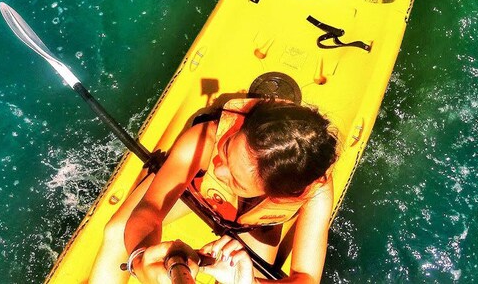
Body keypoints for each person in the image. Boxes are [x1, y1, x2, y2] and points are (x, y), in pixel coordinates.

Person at [89, 96, 340, 283]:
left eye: (236, 181)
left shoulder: (314, 191)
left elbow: (306, 277)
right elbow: (150, 208)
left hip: (255, 226)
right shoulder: (205, 138)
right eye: (227, 149)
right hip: (198, 193)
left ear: (279, 195)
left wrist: (247, 282)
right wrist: (141, 257)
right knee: (117, 232)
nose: (219, 172)